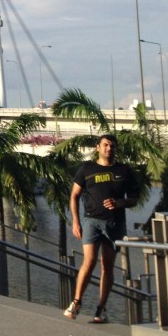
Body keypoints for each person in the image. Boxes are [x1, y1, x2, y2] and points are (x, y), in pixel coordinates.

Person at [65, 133, 140, 324]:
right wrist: (75, 221)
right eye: (105, 145)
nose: (109, 148)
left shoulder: (124, 170)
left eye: (112, 146)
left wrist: (119, 202)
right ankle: (76, 302)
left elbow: (134, 198)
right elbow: (74, 195)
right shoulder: (87, 169)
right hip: (91, 221)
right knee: (89, 261)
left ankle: (101, 309)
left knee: (107, 265)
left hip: (115, 223)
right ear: (97, 147)